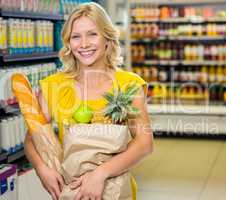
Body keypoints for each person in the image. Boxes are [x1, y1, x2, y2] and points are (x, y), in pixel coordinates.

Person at [24, 2, 153, 200]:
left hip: (116, 191)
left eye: (92, 34)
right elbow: (32, 138)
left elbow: (144, 143)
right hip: (71, 191)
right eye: (76, 36)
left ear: (107, 39)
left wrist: (100, 174)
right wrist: (42, 169)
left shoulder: (129, 84)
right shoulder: (53, 86)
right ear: (68, 43)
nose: (83, 44)